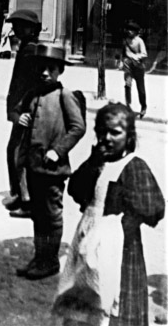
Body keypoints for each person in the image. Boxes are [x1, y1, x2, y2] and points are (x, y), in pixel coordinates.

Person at [53, 103, 164, 326]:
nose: (107, 138)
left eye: (115, 132)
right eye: (102, 132)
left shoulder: (133, 167)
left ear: (129, 135)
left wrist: (120, 223)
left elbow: (154, 208)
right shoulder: (98, 162)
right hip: (87, 239)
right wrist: (93, 162)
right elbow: (76, 189)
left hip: (119, 247)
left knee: (114, 299)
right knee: (82, 292)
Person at [14, 43, 86, 281]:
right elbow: (18, 112)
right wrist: (20, 117)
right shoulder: (33, 93)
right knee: (37, 213)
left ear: (60, 71)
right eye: (41, 68)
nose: (45, 73)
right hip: (33, 164)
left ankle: (50, 260)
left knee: (51, 214)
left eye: (51, 69)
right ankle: (39, 257)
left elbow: (78, 127)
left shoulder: (65, 96)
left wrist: (58, 150)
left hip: (53, 168)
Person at [3, 9, 42, 217]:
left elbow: (26, 87)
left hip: (25, 111)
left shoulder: (30, 51)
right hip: (22, 109)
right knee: (15, 153)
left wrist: (19, 111)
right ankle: (19, 193)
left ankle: (26, 201)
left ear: (32, 29)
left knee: (18, 155)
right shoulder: (27, 48)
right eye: (15, 25)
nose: (16, 29)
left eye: (21, 25)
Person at [122, 21, 147, 118]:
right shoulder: (125, 40)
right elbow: (123, 53)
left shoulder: (139, 41)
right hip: (128, 67)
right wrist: (122, 61)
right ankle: (128, 105)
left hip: (138, 67)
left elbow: (144, 54)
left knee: (141, 89)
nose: (129, 31)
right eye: (128, 29)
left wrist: (135, 57)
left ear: (136, 32)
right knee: (127, 85)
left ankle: (143, 107)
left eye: (131, 30)